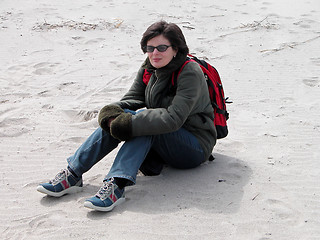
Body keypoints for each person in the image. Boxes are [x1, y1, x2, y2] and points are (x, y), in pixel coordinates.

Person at [37, 20, 217, 212]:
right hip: (164, 142)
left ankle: (116, 185)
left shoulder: (190, 72)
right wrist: (111, 113)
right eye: (150, 48)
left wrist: (129, 122)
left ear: (176, 49)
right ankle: (73, 173)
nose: (155, 53)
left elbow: (173, 118)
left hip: (194, 146)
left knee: (143, 122)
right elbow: (133, 98)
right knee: (128, 117)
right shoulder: (150, 66)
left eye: (162, 47)